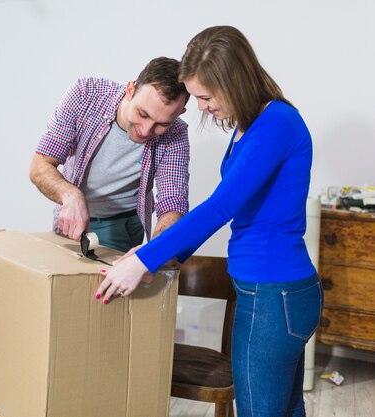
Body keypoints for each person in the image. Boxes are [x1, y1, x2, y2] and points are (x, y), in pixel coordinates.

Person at [96, 26, 322, 417]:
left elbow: (220, 207)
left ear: (232, 83)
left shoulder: (276, 124)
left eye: (204, 96)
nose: (199, 107)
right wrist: (161, 256)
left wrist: (145, 258)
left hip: (273, 294)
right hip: (273, 292)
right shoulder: (254, 125)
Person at [29, 57, 190, 252]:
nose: (146, 130)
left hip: (134, 221)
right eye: (143, 114)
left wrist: (155, 252)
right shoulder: (84, 95)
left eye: (162, 124)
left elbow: (172, 201)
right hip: (86, 219)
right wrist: (71, 195)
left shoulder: (176, 132)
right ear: (130, 90)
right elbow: (40, 166)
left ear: (180, 113)